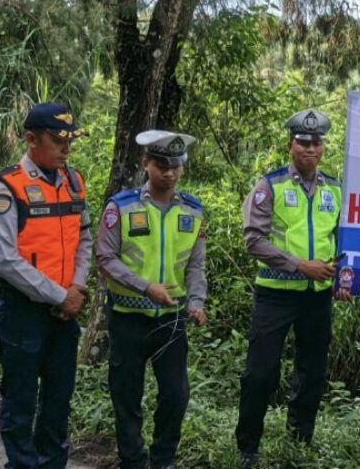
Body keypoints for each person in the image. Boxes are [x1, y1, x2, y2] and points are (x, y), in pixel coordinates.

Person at [0, 102, 91, 469]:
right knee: (20, 401)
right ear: (31, 139)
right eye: (58, 141)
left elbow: (84, 238)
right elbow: (5, 260)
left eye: (70, 141)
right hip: (22, 313)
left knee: (59, 401)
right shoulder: (5, 188)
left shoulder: (73, 182)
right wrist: (60, 295)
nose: (66, 149)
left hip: (64, 314)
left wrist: (76, 288)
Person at [234, 109, 344, 469]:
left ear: (323, 147)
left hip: (317, 297)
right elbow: (254, 240)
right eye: (303, 142)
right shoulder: (270, 186)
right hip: (276, 295)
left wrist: (344, 278)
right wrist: (299, 265)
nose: (310, 148)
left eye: (316, 143)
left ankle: (299, 440)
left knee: (312, 372)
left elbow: (344, 239)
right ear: (290, 145)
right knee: (260, 373)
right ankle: (248, 447)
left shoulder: (335, 189)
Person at [97, 130, 208, 469]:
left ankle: (163, 459)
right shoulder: (121, 206)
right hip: (128, 317)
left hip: (171, 319)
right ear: (146, 164)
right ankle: (132, 460)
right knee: (126, 394)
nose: (169, 173)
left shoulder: (192, 211)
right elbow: (105, 259)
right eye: (161, 165)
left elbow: (195, 264)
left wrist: (197, 303)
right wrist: (145, 287)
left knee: (176, 393)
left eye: (176, 166)